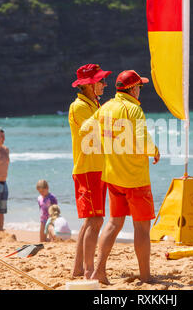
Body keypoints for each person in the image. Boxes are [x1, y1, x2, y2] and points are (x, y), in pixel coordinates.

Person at [81, 70, 160, 284]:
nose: (140, 91)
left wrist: (107, 145)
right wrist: (155, 151)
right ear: (133, 89)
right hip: (135, 178)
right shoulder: (133, 109)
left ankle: (99, 271)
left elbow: (85, 129)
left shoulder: (105, 107)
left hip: (113, 177)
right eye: (140, 87)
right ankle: (145, 276)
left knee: (114, 223)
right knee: (142, 227)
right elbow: (143, 142)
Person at [69, 63, 111, 279]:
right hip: (88, 169)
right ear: (90, 85)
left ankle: (78, 268)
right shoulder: (79, 107)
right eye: (101, 81)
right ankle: (87, 270)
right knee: (95, 221)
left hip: (96, 168)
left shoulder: (93, 104)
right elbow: (97, 133)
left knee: (91, 220)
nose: (105, 84)